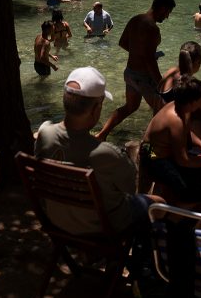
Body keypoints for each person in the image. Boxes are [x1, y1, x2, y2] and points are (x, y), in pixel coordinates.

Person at [34, 67, 161, 234]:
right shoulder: (107, 154)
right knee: (157, 203)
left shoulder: (44, 133)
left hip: (57, 222)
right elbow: (130, 189)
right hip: (98, 228)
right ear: (95, 109)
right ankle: (143, 257)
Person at [96, 0, 176, 141]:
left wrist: (139, 53)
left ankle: (102, 134)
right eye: (167, 12)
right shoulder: (152, 28)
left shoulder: (135, 19)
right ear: (162, 8)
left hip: (130, 73)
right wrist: (161, 83)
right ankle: (150, 147)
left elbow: (123, 43)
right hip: (143, 77)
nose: (167, 17)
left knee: (130, 107)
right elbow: (149, 61)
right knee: (163, 110)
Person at [140, 75, 201, 209]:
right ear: (191, 102)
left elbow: (185, 132)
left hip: (163, 150)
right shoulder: (175, 119)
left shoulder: (181, 107)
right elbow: (183, 160)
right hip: (151, 155)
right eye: (200, 99)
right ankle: (181, 214)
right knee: (187, 187)